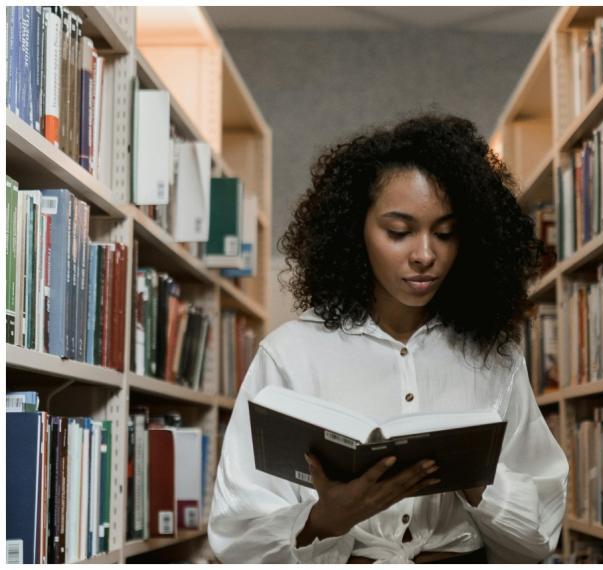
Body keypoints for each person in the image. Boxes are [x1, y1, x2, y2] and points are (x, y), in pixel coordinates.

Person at [208, 114, 569, 564]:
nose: (424, 255)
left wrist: (476, 480)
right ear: (354, 230)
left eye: (445, 233)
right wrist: (326, 520)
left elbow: (538, 541)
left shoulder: (496, 358)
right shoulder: (289, 354)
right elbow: (238, 538)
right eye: (398, 232)